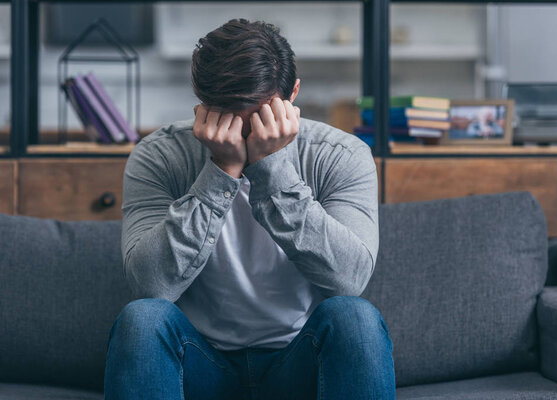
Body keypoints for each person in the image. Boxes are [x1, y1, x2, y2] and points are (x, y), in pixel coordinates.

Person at [104, 18, 395, 400]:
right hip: (200, 363)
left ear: (293, 94)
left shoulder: (339, 156)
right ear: (201, 102)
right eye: (229, 118)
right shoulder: (159, 155)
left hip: (299, 361)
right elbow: (150, 286)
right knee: (141, 320)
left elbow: (349, 280)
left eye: (260, 117)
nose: (247, 134)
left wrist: (272, 168)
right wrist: (220, 172)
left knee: (355, 319)